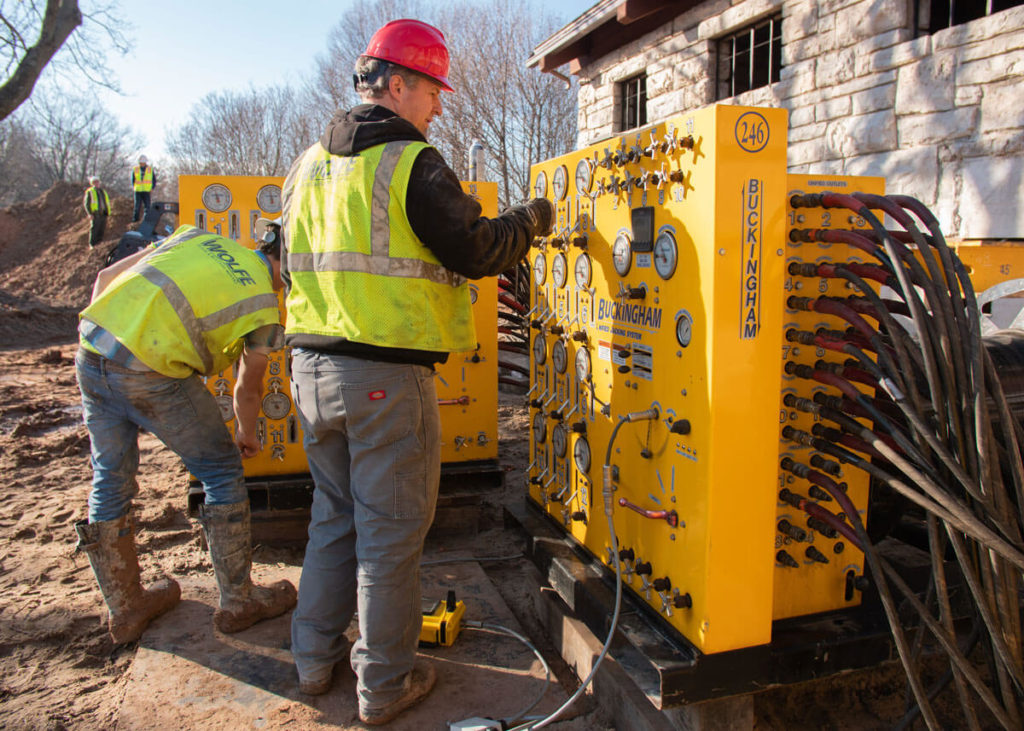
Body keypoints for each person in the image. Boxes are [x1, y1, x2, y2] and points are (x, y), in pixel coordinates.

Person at [283, 17, 554, 726]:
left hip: (309, 369)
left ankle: (313, 662)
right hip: (383, 379)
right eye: (434, 91)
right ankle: (383, 686)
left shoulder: (308, 163)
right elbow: (477, 248)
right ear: (397, 85)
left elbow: (279, 251)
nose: (439, 106)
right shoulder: (411, 161)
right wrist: (535, 218)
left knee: (333, 519)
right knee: (391, 536)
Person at [74, 221, 297, 645]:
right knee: (221, 471)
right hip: (151, 374)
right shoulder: (264, 308)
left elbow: (105, 279)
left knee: (110, 477)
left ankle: (126, 607)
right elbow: (247, 388)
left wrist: (115, 350)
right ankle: (239, 599)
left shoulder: (193, 236)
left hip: (91, 350)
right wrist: (246, 435)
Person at [83, 176, 111, 249]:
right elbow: (87, 204)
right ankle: (92, 244)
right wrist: (90, 213)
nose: (96, 183)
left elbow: (106, 202)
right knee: (94, 229)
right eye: (95, 182)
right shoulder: (90, 192)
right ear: (92, 183)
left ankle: (99, 243)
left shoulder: (103, 191)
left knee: (101, 229)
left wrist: (108, 212)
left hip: (103, 213)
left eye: (97, 182)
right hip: (95, 214)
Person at [131, 154, 157, 223]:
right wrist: (134, 187)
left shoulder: (150, 169)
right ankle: (135, 221)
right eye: (141, 162)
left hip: (146, 191)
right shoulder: (135, 169)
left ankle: (146, 221)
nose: (142, 164)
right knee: (137, 207)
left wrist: (152, 188)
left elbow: (154, 180)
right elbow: (133, 179)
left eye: (143, 162)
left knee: (147, 207)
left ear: (145, 162)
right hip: (138, 190)